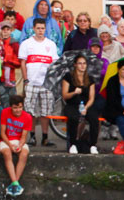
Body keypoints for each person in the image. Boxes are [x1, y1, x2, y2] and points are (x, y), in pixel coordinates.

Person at [17, 17, 59, 147]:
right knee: (30, 111)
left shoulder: (51, 44)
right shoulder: (26, 44)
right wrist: (25, 80)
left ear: (45, 29)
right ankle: (32, 136)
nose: (40, 31)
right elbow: (23, 63)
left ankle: (45, 137)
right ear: (33, 29)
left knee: (45, 111)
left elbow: (54, 64)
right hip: (31, 82)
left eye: (42, 28)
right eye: (38, 28)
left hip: (46, 83)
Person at [61, 54, 99, 154]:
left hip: (86, 105)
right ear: (75, 65)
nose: (82, 66)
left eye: (84, 63)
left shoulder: (90, 79)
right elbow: (65, 95)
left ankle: (93, 145)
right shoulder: (68, 77)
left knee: (94, 118)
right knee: (73, 117)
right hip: (72, 104)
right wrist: (74, 92)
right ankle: (73, 144)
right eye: (80, 63)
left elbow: (92, 98)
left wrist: (86, 108)